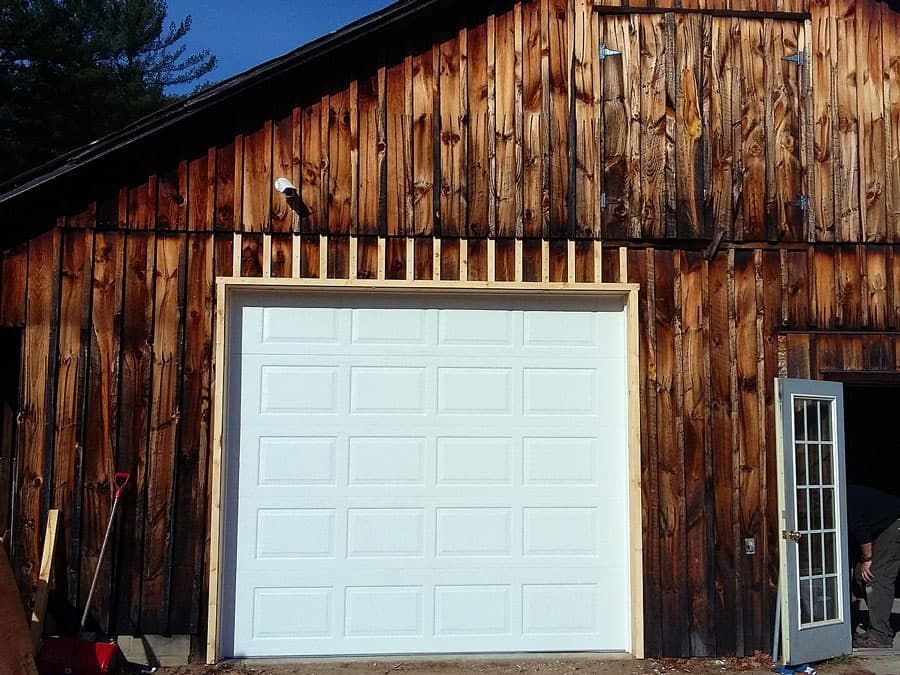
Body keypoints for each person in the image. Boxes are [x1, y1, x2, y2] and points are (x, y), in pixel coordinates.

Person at [847, 484, 900, 648]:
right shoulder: (837, 499)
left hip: (894, 523)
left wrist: (867, 559)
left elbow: (860, 530)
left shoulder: (846, 501)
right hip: (881, 526)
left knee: (876, 576)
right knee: (859, 575)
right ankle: (876, 627)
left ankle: (880, 635)